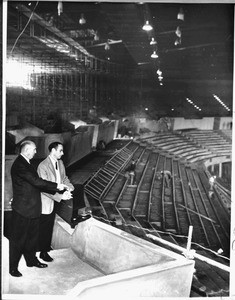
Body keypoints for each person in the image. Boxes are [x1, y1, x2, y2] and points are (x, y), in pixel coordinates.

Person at [10, 140, 68, 277]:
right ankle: (13, 267)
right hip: (23, 209)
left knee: (31, 237)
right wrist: (56, 186)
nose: (36, 151)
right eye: (34, 149)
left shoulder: (28, 163)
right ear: (27, 150)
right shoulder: (20, 164)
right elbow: (36, 182)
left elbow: (35, 184)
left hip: (33, 207)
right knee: (18, 240)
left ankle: (31, 260)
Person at [37, 141, 74, 262]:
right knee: (45, 228)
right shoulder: (43, 166)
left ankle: (45, 247)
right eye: (60, 151)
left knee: (51, 226)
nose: (62, 153)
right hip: (47, 200)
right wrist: (60, 197)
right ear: (53, 151)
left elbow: (64, 178)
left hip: (57, 199)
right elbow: (44, 188)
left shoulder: (60, 162)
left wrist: (69, 187)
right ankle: (43, 252)